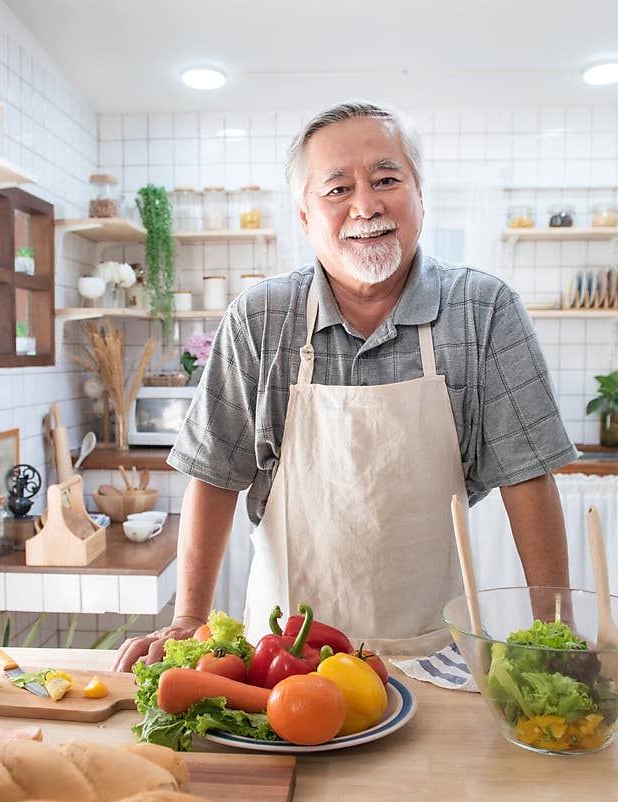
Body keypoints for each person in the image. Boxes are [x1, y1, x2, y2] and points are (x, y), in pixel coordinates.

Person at [112, 100, 577, 672]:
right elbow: (213, 476)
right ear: (305, 218)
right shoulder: (261, 319)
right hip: (280, 664)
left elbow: (528, 480)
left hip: (432, 654)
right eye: (337, 190)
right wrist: (188, 623)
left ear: (420, 198)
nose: (366, 205)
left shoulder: (483, 311)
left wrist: (559, 636)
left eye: (386, 179)